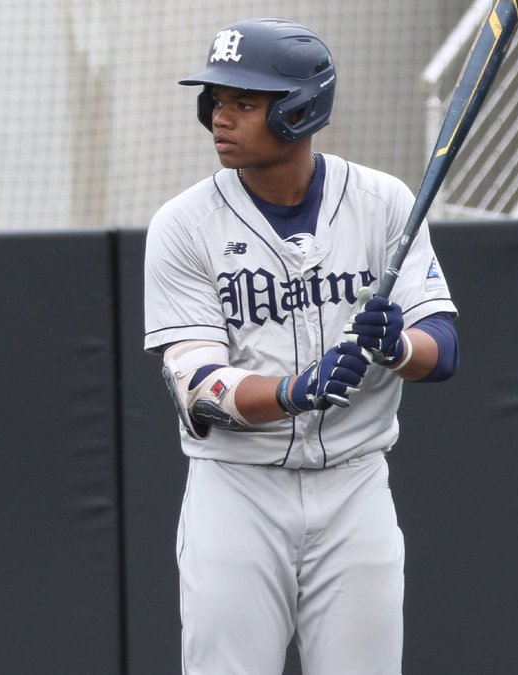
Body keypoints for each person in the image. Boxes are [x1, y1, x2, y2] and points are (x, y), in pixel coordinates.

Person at [144, 17, 459, 675]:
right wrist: (294, 390)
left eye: (244, 102)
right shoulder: (182, 226)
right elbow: (197, 385)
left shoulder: (381, 203)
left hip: (355, 486)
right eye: (217, 101)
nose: (220, 117)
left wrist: (397, 345)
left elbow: (444, 346)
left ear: (298, 110)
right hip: (238, 490)